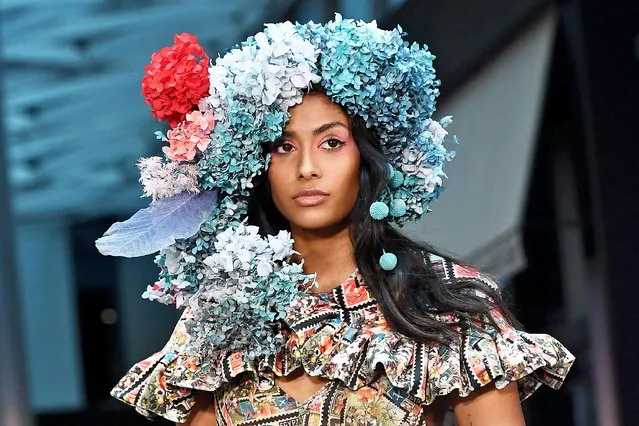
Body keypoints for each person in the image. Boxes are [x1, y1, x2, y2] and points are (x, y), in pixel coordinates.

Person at [97, 15, 574, 426]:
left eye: (331, 143)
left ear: (367, 158)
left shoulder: (446, 301)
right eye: (284, 146)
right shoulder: (218, 317)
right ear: (254, 164)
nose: (307, 167)